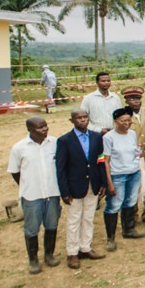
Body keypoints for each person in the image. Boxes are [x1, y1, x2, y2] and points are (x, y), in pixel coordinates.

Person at [8, 117, 61, 273]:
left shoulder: (55, 143)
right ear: (30, 130)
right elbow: (15, 171)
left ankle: (49, 255)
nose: (45, 129)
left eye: (45, 126)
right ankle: (33, 260)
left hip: (52, 193)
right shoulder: (19, 148)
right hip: (32, 195)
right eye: (40, 127)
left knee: (51, 225)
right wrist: (26, 185)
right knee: (32, 229)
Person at [56, 109, 107, 269]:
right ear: (72, 121)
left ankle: (86, 247)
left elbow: (100, 160)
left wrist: (104, 182)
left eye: (85, 117)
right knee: (74, 219)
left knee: (88, 217)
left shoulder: (96, 137)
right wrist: (64, 191)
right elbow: (61, 168)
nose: (83, 120)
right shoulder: (65, 140)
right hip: (74, 187)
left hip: (93, 184)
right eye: (79, 118)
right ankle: (72, 252)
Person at [102, 107, 145, 251]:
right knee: (114, 205)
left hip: (133, 173)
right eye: (123, 121)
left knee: (130, 202)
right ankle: (110, 238)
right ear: (116, 121)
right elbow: (106, 161)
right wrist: (109, 182)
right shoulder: (109, 137)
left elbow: (134, 151)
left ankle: (129, 230)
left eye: (129, 120)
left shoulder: (132, 134)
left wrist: (140, 153)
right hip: (117, 175)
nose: (127, 123)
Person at [122, 86, 145, 224]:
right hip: (130, 157)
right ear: (126, 100)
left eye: (137, 98)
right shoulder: (122, 117)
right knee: (132, 186)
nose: (135, 101)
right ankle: (132, 215)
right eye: (131, 99)